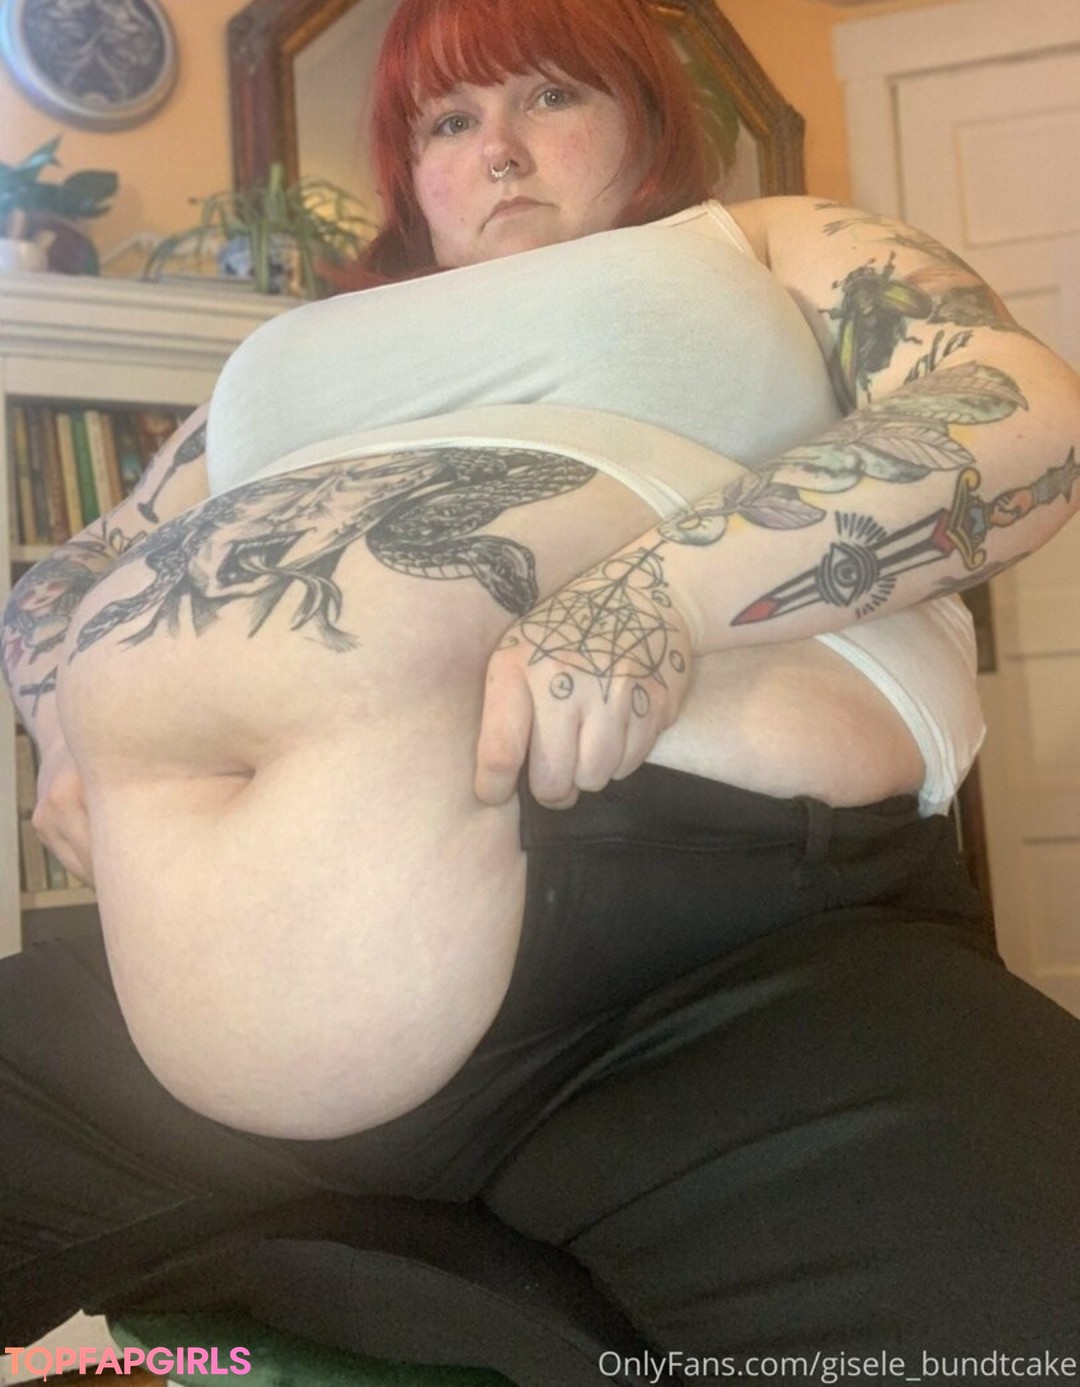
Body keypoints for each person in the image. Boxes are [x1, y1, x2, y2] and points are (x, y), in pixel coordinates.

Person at [3, 0, 1079, 1369]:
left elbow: (1011, 406)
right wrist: (70, 710)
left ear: (648, 125)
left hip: (714, 966)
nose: (498, 149)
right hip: (183, 1008)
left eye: (551, 97)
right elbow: (78, 564)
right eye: (449, 121)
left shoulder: (758, 243)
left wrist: (661, 592)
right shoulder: (302, 351)